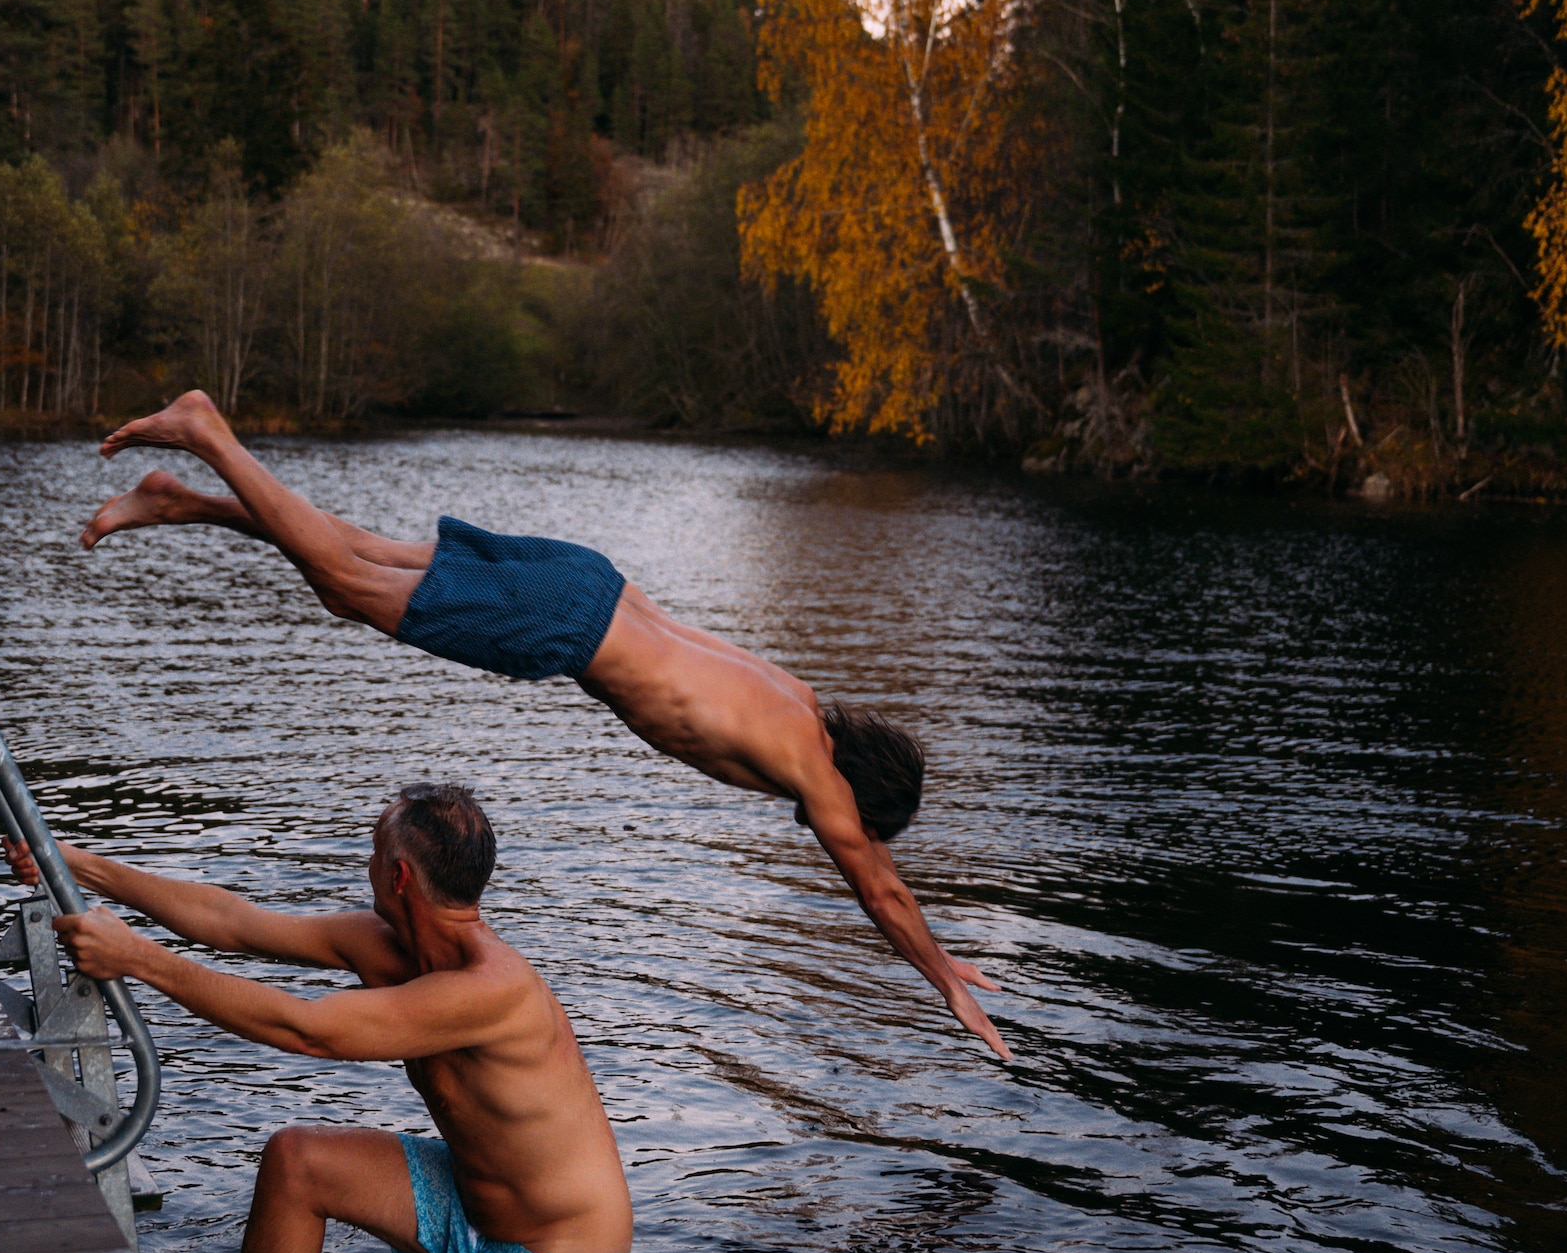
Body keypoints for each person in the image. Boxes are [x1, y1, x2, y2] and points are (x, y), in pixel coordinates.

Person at [79, 390, 1011, 1060]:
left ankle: (180, 502)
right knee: (344, 583)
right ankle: (209, 435)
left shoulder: (799, 700)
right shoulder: (816, 774)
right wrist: (944, 980)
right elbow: (882, 892)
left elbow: (879, 872)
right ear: (863, 793)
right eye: (863, 825)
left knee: (355, 553)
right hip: (570, 626)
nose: (840, 835)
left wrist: (936, 947)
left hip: (587, 579)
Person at [12, 782, 634, 1253]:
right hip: (473, 1203)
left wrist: (139, 959)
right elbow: (234, 923)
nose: (366, 864)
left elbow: (308, 1029)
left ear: (398, 878)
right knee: (298, 1162)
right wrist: (69, 864)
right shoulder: (385, 945)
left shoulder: (493, 990)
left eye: (372, 852)